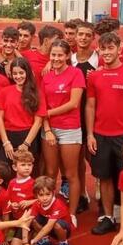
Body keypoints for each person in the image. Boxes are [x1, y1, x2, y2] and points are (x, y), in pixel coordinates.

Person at [86, 32, 123, 235]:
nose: (107, 52)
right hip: (101, 135)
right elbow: (91, 106)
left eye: (111, 48)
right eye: (104, 48)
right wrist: (90, 134)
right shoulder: (94, 76)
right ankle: (108, 217)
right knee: (105, 178)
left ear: (119, 49)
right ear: (99, 50)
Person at [40, 40, 85, 216]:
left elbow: (74, 103)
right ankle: (49, 211)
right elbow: (42, 104)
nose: (56, 58)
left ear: (67, 56)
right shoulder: (46, 76)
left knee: (71, 173)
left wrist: (48, 113)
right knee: (50, 172)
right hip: (49, 129)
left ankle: (71, 213)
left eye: (60, 55)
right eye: (53, 55)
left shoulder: (76, 74)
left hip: (69, 129)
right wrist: (48, 129)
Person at [0, 57, 45, 163]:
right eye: (15, 73)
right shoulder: (4, 92)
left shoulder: (37, 93)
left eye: (21, 73)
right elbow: (0, 118)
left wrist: (26, 144)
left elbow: (38, 122)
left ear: (27, 72)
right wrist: (6, 142)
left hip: (28, 137)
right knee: (4, 171)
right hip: (8, 137)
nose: (18, 76)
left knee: (25, 172)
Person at [26, 175, 75, 245]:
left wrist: (34, 241)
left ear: (53, 192)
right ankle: (45, 240)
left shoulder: (58, 204)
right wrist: (25, 242)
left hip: (63, 229)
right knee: (32, 219)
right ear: (36, 195)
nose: (44, 198)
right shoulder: (37, 203)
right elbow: (27, 220)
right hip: (49, 227)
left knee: (56, 224)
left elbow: (49, 226)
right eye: (41, 195)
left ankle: (63, 243)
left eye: (48, 194)